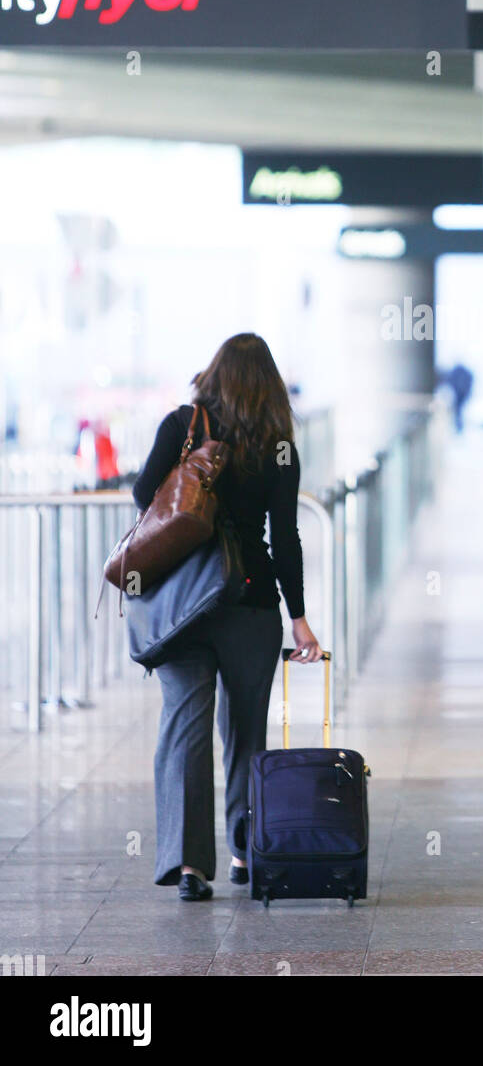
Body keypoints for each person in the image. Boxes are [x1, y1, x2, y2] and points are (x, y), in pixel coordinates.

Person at [132, 332, 322, 902]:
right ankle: (244, 851)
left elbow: (145, 495)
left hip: (183, 603)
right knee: (245, 731)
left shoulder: (184, 425)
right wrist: (300, 617)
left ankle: (189, 867)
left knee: (185, 726)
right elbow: (285, 536)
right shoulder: (280, 444)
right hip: (251, 599)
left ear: (214, 374)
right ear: (269, 385)